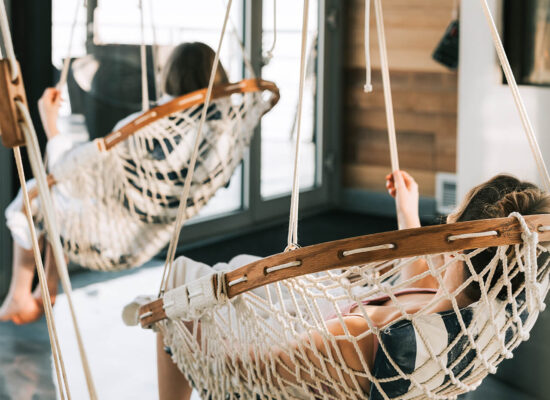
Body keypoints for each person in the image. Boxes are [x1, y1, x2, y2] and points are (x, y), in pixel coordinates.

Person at [155, 170, 550, 399]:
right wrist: (406, 210)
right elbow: (421, 293)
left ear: (459, 247)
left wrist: (182, 333)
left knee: (179, 284)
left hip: (301, 347)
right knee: (238, 268)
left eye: (453, 219)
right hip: (340, 322)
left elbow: (250, 375)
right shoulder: (486, 311)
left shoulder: (364, 338)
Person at [0, 42, 229, 325]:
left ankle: (20, 292)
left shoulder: (151, 124)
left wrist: (51, 124)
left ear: (170, 75)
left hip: (115, 229)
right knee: (52, 196)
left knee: (29, 198)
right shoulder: (223, 128)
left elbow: (73, 177)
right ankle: (46, 281)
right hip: (154, 222)